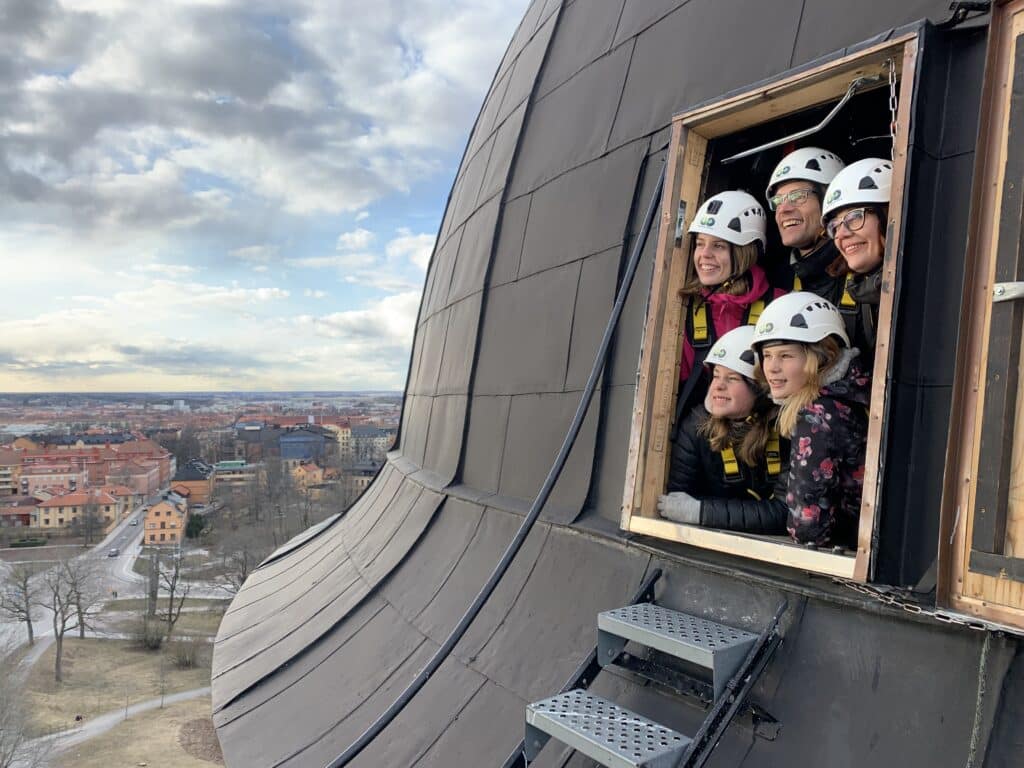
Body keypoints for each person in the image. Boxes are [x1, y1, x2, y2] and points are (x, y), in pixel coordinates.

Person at [751, 292, 871, 548]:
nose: (771, 367)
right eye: (767, 355)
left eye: (786, 356)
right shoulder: (848, 396)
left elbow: (807, 528)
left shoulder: (816, 416)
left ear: (820, 359)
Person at [659, 326, 789, 534]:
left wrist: (702, 512)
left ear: (760, 389)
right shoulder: (696, 428)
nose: (718, 386)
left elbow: (786, 514)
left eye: (732, 378)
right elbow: (677, 502)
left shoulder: (788, 429)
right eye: (717, 375)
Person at [675, 190, 781, 424]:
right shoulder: (684, 311)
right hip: (707, 438)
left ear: (744, 252)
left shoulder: (779, 306)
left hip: (770, 432)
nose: (704, 255)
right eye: (700, 244)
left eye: (719, 246)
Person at [765, 147, 862, 338]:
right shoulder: (776, 284)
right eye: (778, 201)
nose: (783, 209)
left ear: (830, 203)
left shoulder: (866, 277)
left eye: (797, 196)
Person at [821, 158, 893, 356]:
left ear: (890, 214)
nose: (841, 234)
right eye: (834, 226)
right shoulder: (856, 296)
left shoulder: (928, 279)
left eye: (854, 217)